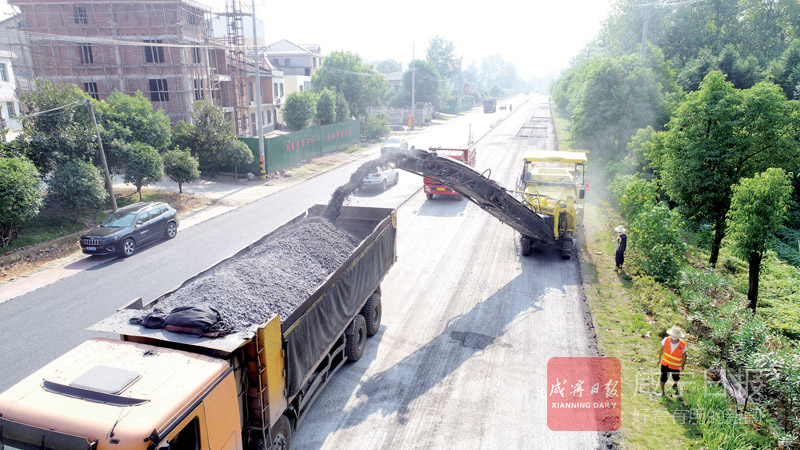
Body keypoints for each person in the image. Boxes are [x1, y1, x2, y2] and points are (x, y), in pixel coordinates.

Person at [658, 326, 687, 396]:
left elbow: (684, 356)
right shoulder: (666, 340)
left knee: (675, 377)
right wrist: (659, 359)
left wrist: (682, 366)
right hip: (665, 363)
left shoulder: (683, 345)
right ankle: (662, 390)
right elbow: (661, 350)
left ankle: (675, 383)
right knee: (663, 377)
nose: (674, 338)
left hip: (676, 366)